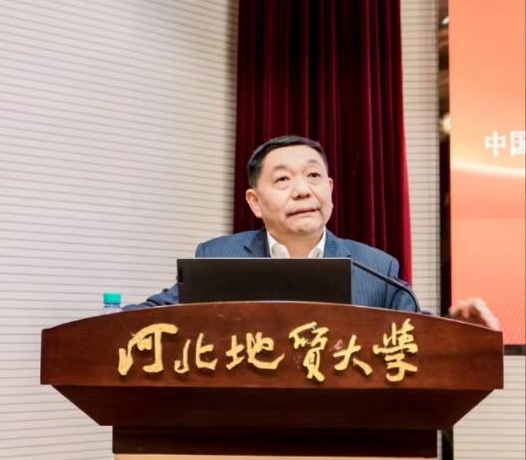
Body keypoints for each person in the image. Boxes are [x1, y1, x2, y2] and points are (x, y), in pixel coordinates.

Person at [132, 134, 499, 328]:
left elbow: (417, 331)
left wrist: (460, 330)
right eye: (283, 179)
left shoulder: (376, 267)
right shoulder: (218, 258)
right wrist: (109, 318)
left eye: (313, 175)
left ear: (330, 189)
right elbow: (153, 316)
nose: (303, 190)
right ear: (255, 202)